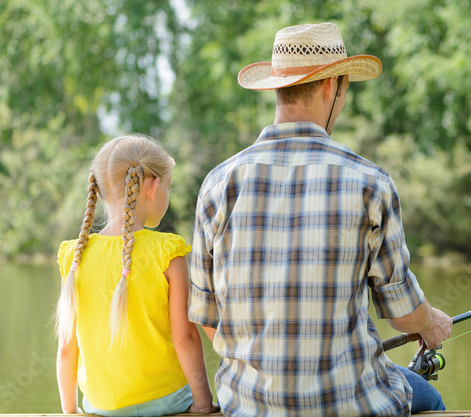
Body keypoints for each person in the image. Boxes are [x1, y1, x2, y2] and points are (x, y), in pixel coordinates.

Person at [189, 22, 453, 417]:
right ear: (332, 87)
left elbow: (209, 320)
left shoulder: (218, 184)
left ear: (278, 87)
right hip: (350, 405)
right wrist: (430, 323)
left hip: (249, 408)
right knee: (431, 401)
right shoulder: (370, 183)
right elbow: (402, 314)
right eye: (344, 90)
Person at [54, 134, 216, 416]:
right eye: (169, 186)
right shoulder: (167, 252)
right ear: (152, 187)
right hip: (167, 399)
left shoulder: (75, 256)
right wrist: (202, 404)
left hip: (101, 405)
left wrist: (70, 410)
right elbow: (185, 337)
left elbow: (67, 348)